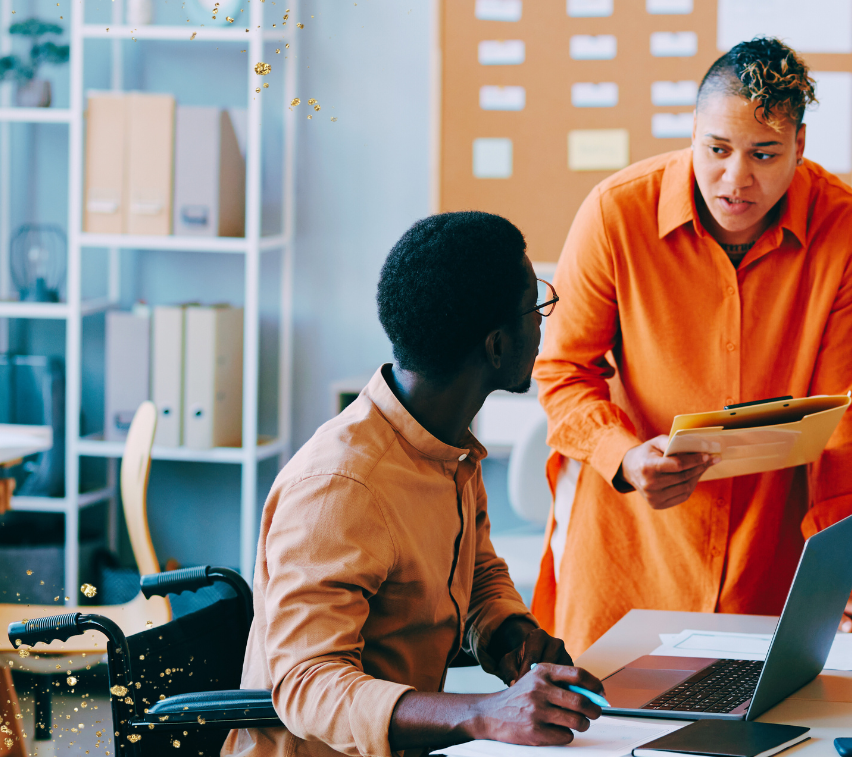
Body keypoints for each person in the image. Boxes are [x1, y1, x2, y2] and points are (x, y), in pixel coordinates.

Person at [531, 37, 852, 656]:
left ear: (799, 147)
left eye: (764, 154)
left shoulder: (844, 225)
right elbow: (562, 371)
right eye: (716, 149)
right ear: (693, 132)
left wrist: (833, 579)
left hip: (770, 554)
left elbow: (844, 416)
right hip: (631, 549)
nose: (735, 180)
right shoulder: (615, 213)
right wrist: (626, 456)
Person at [224, 212, 605, 757]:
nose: (543, 324)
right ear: (496, 346)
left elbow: (476, 577)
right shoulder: (341, 486)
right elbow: (306, 683)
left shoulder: (445, 446)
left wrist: (512, 638)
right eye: (536, 306)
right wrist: (481, 713)